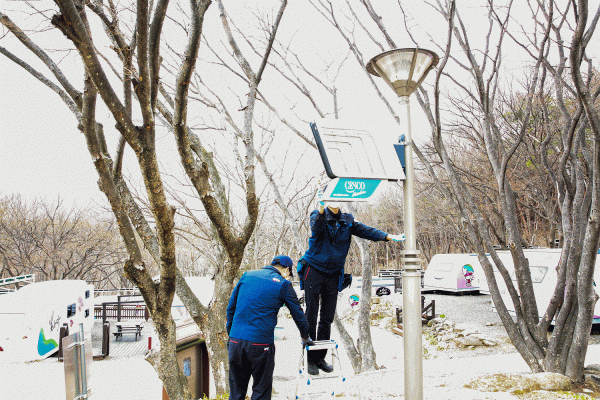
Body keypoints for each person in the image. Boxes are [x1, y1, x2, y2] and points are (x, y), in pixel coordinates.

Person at [298, 200, 403, 375]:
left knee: (327, 317)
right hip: (314, 269)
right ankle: (309, 359)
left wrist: (388, 236)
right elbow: (316, 229)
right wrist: (321, 208)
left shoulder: (347, 220)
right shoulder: (317, 216)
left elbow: (366, 231)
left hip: (333, 273)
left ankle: (320, 358)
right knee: (311, 313)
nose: (335, 200)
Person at [227, 255, 314, 400]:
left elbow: (231, 308)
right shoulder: (283, 285)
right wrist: (305, 336)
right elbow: (298, 315)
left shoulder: (247, 276)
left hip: (236, 341)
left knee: (236, 392)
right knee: (261, 391)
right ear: (286, 270)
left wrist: (232, 335)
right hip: (260, 344)